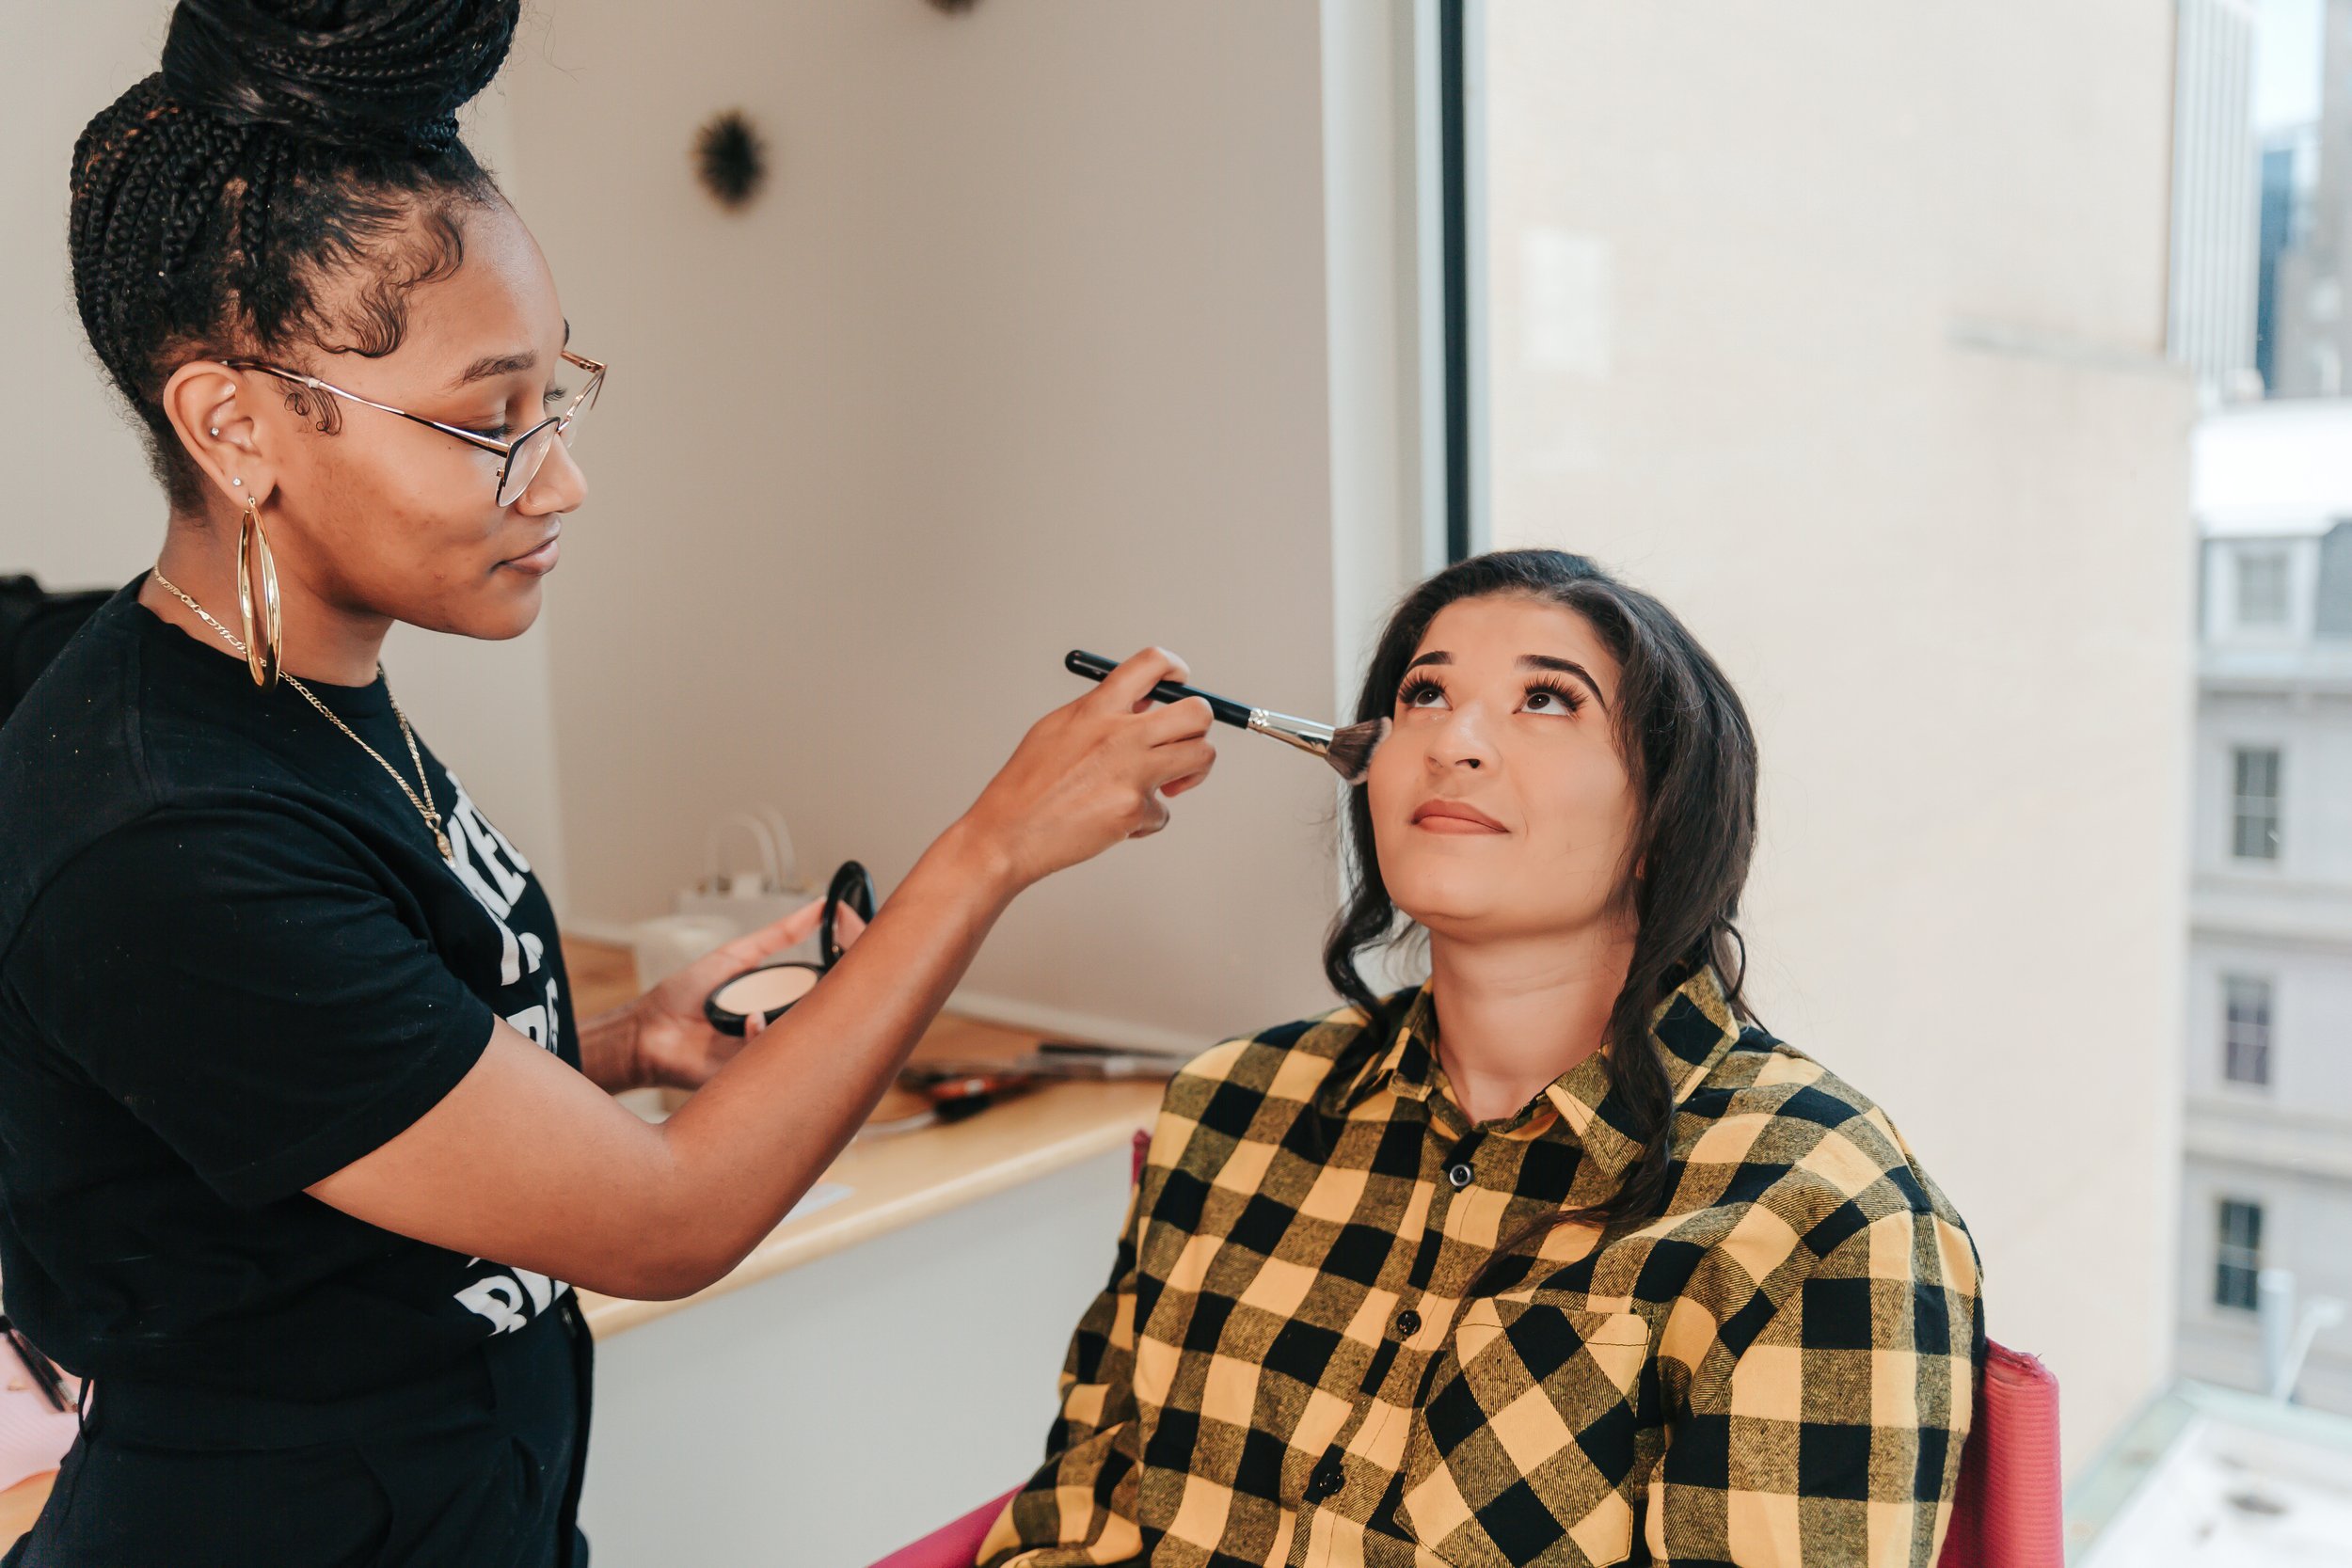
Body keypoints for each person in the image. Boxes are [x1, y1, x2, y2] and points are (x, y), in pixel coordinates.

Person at [0, 4, 1216, 1565]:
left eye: (553, 399)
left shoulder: (306, 701)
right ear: (235, 425)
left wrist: (627, 1041)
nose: (559, 476)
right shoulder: (161, 828)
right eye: (488, 421)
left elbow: (348, 1078)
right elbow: (665, 1220)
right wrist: (991, 849)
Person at [983, 550, 1982, 1567]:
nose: (1453, 740)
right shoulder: (1231, 1102)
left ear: (1663, 812)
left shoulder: (1814, 1210)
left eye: (1546, 700)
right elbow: (1075, 1524)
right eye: (1424, 692)